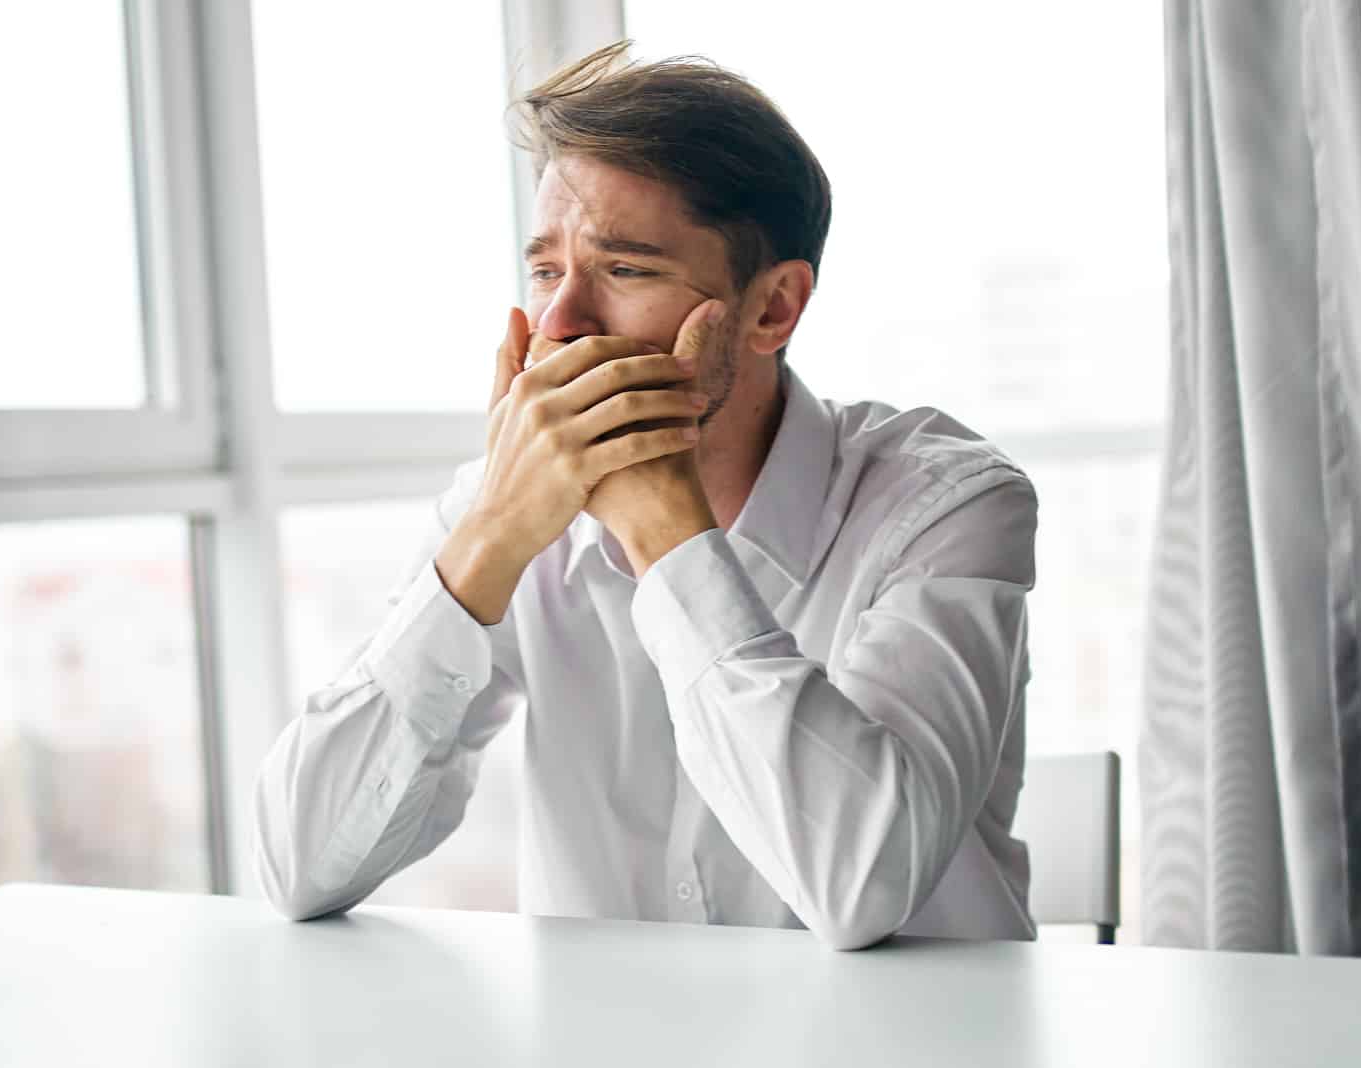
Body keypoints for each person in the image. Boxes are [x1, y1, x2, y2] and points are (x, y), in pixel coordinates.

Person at [253, 41, 1037, 950]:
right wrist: (488, 544)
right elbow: (295, 864)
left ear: (772, 309)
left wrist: (668, 535)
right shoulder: (507, 509)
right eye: (546, 272)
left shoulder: (945, 504)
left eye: (625, 271)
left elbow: (863, 879)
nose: (559, 325)